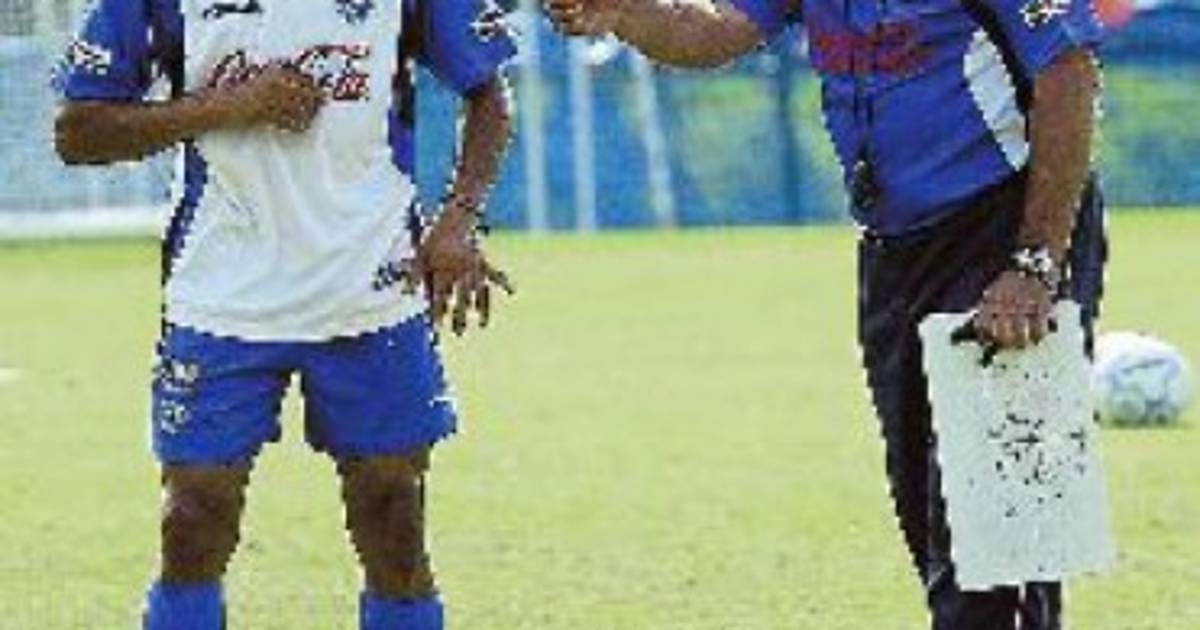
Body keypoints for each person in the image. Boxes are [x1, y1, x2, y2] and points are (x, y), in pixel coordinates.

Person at [547, 0, 1107, 627]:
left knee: (1000, 542)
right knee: (929, 522)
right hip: (895, 250)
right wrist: (624, 12)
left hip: (1005, 233)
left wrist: (1035, 263)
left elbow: (1069, 70)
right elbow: (711, 29)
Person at [54, 0, 515, 627]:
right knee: (193, 521)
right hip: (221, 294)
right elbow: (78, 131)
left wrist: (458, 220)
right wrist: (228, 107)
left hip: (371, 285)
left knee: (393, 519)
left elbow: (488, 92)